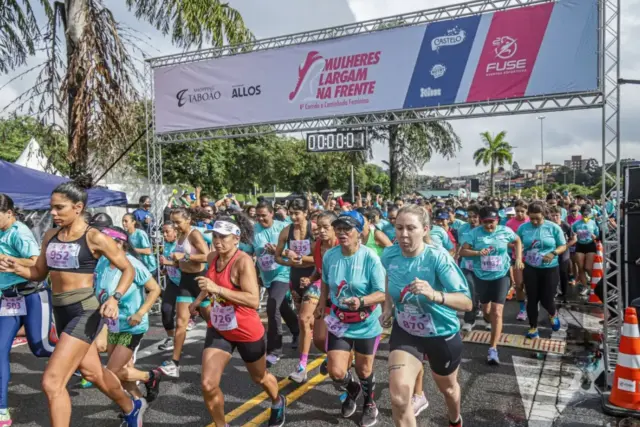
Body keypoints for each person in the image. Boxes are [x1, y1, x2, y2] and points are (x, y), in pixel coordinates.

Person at [0, 182, 144, 426]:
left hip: (85, 312)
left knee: (52, 381)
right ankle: (133, 406)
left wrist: (114, 297)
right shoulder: (50, 236)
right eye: (51, 208)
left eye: (59, 208)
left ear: (78, 208)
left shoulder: (94, 236)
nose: (53, 213)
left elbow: (127, 268)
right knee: (93, 373)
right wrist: (17, 268)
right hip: (61, 311)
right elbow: (38, 273)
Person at [380, 204, 472, 427]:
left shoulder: (437, 258)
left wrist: (434, 294)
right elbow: (389, 279)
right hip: (406, 331)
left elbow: (466, 302)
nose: (403, 234)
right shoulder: (389, 255)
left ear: (425, 229)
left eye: (411, 228)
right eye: (399, 227)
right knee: (399, 397)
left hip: (441, 333)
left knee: (448, 390)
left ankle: (455, 420)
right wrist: (388, 306)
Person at [191, 217, 286, 427]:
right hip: (220, 328)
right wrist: (198, 301)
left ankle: (278, 401)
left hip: (246, 330)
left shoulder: (243, 261)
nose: (217, 241)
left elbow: (253, 300)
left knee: (259, 378)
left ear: (236, 239)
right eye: (215, 236)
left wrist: (218, 290)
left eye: (223, 237)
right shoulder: (212, 257)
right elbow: (210, 285)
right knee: (208, 384)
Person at [315, 211, 385, 427]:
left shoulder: (370, 257)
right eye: (339, 228)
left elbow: (382, 293)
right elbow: (325, 281)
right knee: (336, 372)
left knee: (364, 370)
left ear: (359, 233)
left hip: (366, 322)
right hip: (340, 320)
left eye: (348, 229)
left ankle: (369, 403)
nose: (342, 233)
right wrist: (321, 302)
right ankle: (352, 388)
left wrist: (362, 300)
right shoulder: (330, 255)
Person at [0, 194, 57, 426]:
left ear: (9, 213)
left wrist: (8, 258)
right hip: (9, 299)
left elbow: (37, 261)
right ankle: (2, 408)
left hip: (33, 294)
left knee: (40, 347)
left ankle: (76, 359)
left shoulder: (19, 233)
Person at [95, 226, 163, 403]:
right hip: (113, 324)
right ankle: (138, 401)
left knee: (112, 371)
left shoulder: (132, 263)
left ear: (120, 243)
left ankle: (149, 376)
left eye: (105, 242)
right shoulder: (102, 261)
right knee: (121, 370)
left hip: (131, 326)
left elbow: (155, 289)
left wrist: (140, 313)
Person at [459, 207, 523, 365]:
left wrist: (519, 259)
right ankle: (489, 320)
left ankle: (493, 349)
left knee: (497, 311)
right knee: (487, 311)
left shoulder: (505, 231)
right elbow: (462, 252)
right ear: (481, 221)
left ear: (497, 221)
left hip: (501, 275)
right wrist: (477, 253)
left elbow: (517, 241)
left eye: (492, 222)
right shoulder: (474, 234)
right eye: (486, 222)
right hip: (481, 276)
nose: (489, 225)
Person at [159, 207, 210, 378]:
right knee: (181, 322)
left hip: (199, 280)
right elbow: (181, 262)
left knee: (211, 320)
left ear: (187, 220)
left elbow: (207, 256)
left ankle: (223, 345)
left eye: (178, 222)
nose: (175, 225)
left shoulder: (194, 235)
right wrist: (170, 263)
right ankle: (174, 362)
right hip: (185, 282)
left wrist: (185, 257)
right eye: (173, 221)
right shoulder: (180, 236)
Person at [290, 211, 338, 382]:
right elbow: (319, 271)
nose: (321, 231)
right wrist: (309, 279)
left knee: (324, 337)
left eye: (326, 227)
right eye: (319, 227)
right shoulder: (317, 246)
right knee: (304, 319)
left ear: (335, 228)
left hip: (341, 290)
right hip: (321, 285)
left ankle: (340, 355)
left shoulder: (342, 245)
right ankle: (302, 367)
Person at [274, 198, 315, 365]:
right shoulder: (286, 231)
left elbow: (323, 257)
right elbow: (277, 256)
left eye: (297, 214)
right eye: (291, 213)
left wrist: (300, 258)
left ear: (305, 213)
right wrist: (288, 261)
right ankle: (310, 338)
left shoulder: (315, 229)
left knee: (306, 317)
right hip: (295, 277)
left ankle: (303, 359)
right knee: (303, 317)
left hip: (314, 276)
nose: (293, 217)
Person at [517, 202, 567, 339]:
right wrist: (519, 255)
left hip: (550, 268)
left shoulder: (553, 228)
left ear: (543, 215)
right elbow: (516, 242)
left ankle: (552, 314)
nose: (534, 221)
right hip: (531, 268)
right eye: (531, 218)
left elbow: (563, 245)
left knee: (547, 299)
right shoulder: (523, 228)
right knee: (532, 299)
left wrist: (553, 253)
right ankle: (533, 327)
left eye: (537, 218)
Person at [158, 222, 181, 351]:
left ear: (175, 232)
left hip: (187, 282)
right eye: (163, 232)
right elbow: (171, 263)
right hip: (173, 282)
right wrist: (166, 269)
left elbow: (184, 263)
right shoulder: (167, 244)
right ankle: (171, 338)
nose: (164, 235)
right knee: (166, 310)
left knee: (201, 311)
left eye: (167, 232)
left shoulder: (181, 244)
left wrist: (168, 263)